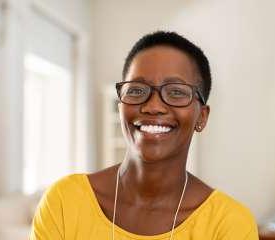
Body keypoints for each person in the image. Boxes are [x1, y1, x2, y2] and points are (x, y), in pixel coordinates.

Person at [30, 31, 259, 240]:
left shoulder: (228, 224)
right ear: (120, 104)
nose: (153, 106)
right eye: (137, 90)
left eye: (176, 92)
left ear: (202, 117)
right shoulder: (64, 201)